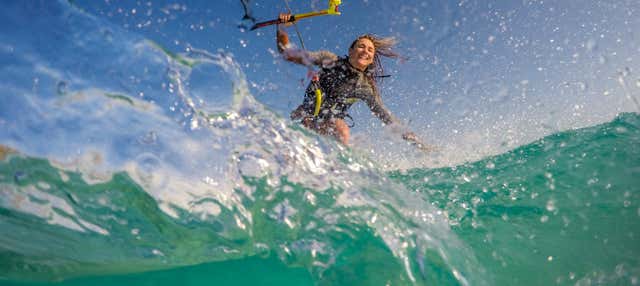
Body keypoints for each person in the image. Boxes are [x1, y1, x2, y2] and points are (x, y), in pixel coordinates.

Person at [276, 13, 427, 149]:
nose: (365, 51)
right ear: (350, 51)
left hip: (331, 122)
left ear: (371, 60)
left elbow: (388, 118)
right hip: (306, 116)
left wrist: (417, 142)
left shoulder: (364, 88)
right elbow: (287, 53)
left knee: (342, 130)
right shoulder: (329, 60)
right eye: (361, 46)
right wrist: (282, 27)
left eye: (370, 50)